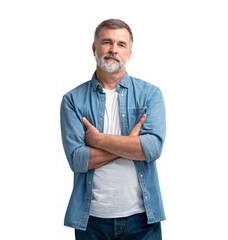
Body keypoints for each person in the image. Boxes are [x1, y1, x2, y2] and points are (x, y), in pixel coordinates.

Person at [60, 19, 166, 239]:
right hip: (91, 221)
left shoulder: (150, 95)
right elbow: (78, 160)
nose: (113, 50)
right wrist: (130, 142)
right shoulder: (72, 100)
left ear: (129, 52)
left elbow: (151, 149)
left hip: (142, 219)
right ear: (94, 48)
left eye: (121, 44)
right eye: (107, 42)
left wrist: (98, 140)